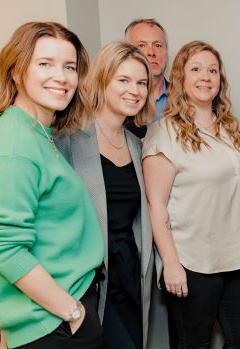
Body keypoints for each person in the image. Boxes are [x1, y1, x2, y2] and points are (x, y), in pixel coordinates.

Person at [0, 22, 104, 348]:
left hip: (57, 310)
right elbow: (6, 249)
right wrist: (73, 313)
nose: (61, 76)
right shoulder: (16, 146)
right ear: (16, 71)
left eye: (69, 67)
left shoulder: (36, 132)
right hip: (54, 321)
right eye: (45, 64)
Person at [143, 40, 240, 348]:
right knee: (193, 344)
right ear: (181, 77)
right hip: (192, 264)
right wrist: (171, 264)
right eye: (196, 69)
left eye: (213, 70)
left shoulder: (230, 130)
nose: (206, 77)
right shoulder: (163, 133)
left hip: (238, 260)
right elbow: (156, 205)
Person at [55, 41, 155, 349]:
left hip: (128, 271)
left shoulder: (137, 144)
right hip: (89, 277)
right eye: (123, 80)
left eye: (141, 83)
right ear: (102, 81)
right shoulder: (68, 138)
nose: (134, 90)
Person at [125, 18, 169, 138]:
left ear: (167, 52)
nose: (151, 52)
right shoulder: (116, 99)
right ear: (126, 52)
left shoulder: (186, 97)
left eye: (158, 45)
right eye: (142, 45)